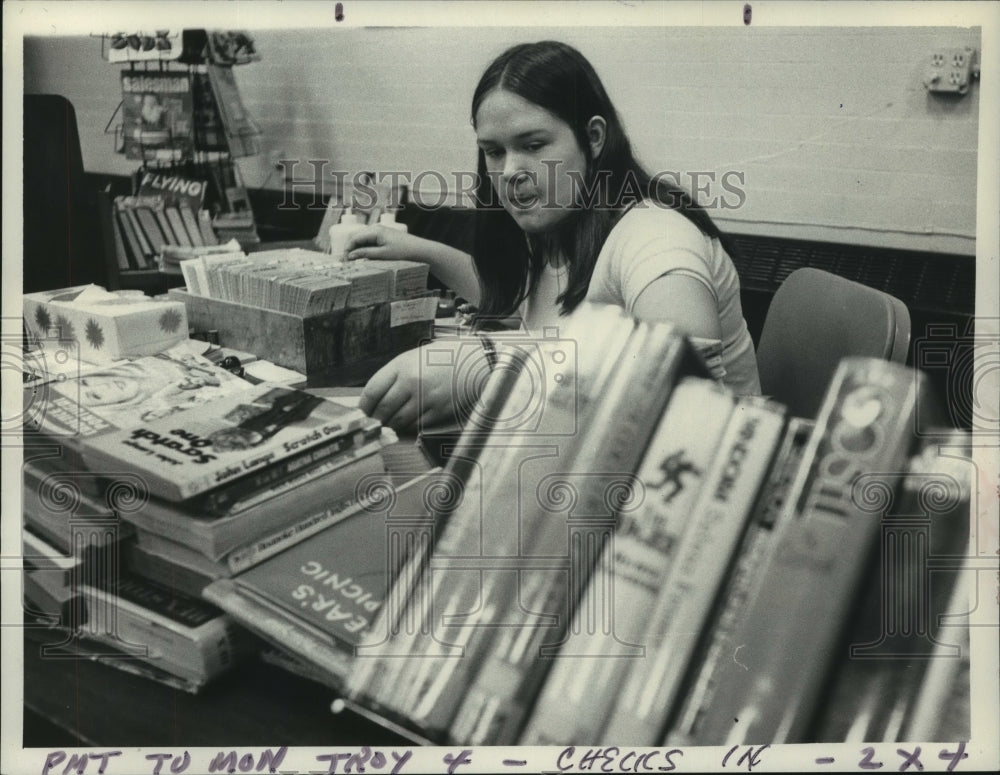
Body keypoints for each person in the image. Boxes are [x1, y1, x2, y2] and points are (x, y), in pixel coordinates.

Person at [347, 41, 761, 432]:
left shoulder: (656, 235)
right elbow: (520, 305)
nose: (510, 171)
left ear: (594, 137)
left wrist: (494, 363)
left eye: (534, 144)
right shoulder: (559, 221)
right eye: (494, 152)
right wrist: (422, 250)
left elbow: (690, 395)